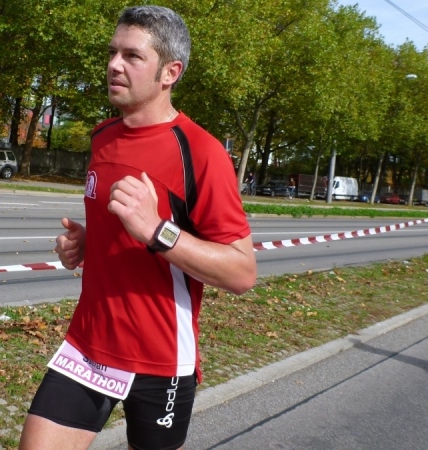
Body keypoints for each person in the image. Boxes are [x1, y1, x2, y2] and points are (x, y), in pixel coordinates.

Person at [19, 6, 257, 450]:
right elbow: (119, 232)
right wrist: (87, 244)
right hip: (89, 346)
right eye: (113, 52)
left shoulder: (201, 153)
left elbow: (242, 273)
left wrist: (157, 231)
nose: (114, 65)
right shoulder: (102, 137)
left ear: (170, 72)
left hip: (161, 360)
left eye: (132, 56)